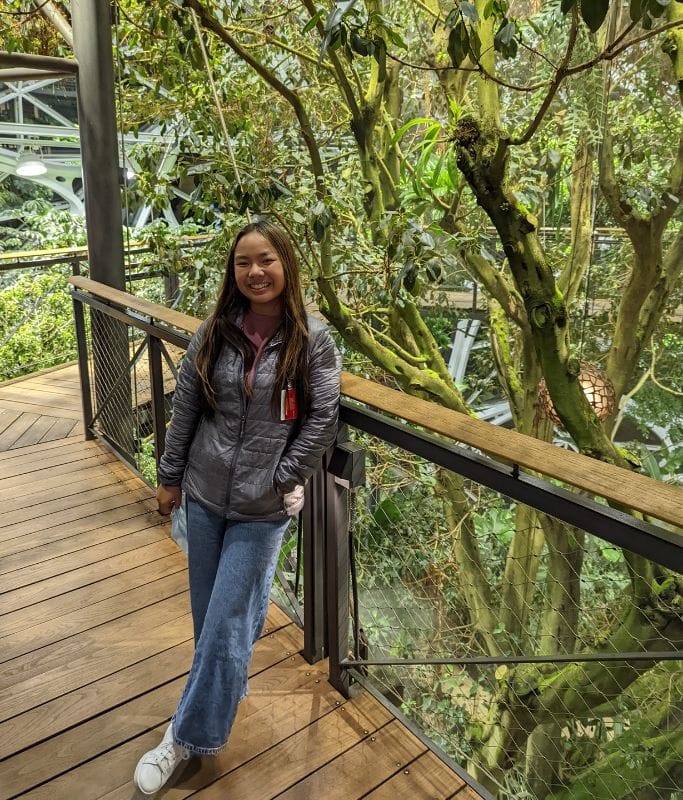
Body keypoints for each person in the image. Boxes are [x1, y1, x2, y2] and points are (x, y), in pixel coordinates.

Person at [133, 219, 341, 795]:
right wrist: (169, 477)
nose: (255, 272)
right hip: (203, 494)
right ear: (233, 271)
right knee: (212, 622)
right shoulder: (215, 331)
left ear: (286, 265)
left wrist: (285, 476)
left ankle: (184, 738)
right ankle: (224, 685)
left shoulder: (312, 338)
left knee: (226, 624)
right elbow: (187, 409)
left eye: (266, 259)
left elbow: (323, 416)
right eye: (244, 262)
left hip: (262, 508)